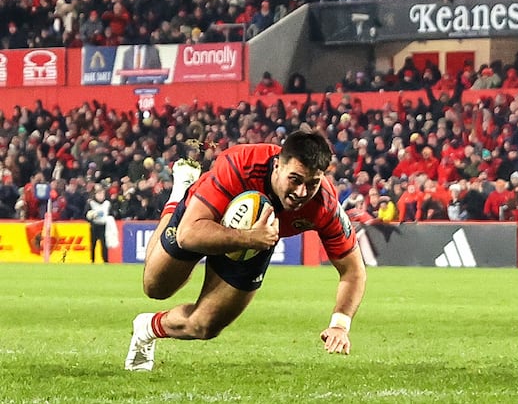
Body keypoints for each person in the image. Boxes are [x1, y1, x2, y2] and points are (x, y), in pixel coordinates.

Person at [125, 129, 366, 371]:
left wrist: (340, 324)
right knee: (155, 287)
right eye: (295, 179)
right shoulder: (240, 165)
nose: (302, 192)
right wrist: (249, 237)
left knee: (204, 326)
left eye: (312, 183)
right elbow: (187, 236)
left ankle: (147, 327)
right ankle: (179, 196)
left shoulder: (325, 204)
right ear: (277, 167)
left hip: (257, 240)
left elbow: (353, 271)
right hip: (204, 218)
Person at [85, 186, 111, 263]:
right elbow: (85, 215)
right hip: (94, 226)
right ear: (95, 195)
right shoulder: (91, 203)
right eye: (99, 194)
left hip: (104, 226)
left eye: (102, 194)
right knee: (93, 244)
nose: (101, 196)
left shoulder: (107, 203)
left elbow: (111, 214)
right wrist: (91, 217)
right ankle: (92, 260)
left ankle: (105, 260)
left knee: (104, 244)